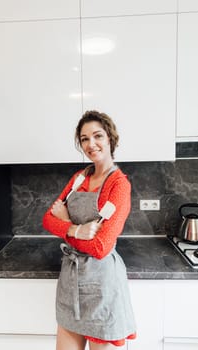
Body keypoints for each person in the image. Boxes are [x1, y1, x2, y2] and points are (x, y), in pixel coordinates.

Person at [43, 110, 136, 350]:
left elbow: (100, 247)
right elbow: (47, 219)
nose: (91, 144)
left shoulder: (119, 185)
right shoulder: (78, 178)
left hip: (101, 285)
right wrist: (75, 229)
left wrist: (63, 222)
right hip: (70, 281)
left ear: (110, 139)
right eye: (84, 139)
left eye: (97, 136)